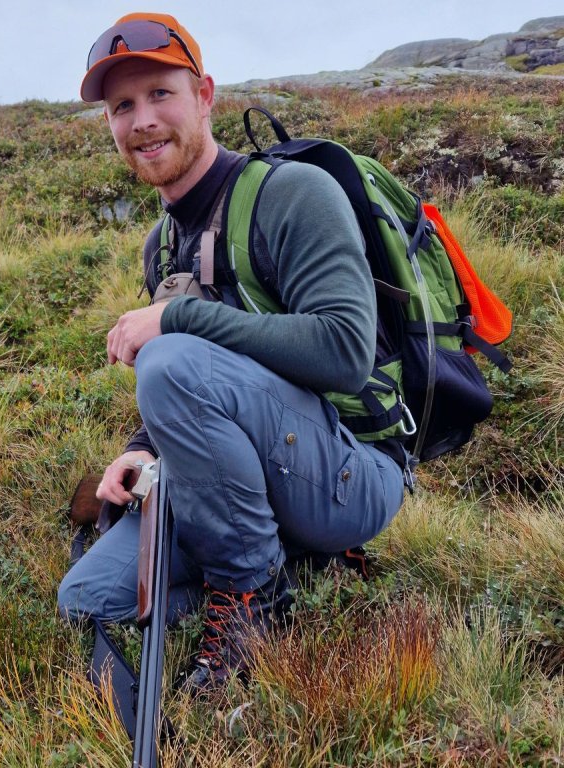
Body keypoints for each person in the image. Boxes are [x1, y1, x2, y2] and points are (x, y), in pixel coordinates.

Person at [57, 12, 409, 691]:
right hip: (260, 468)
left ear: (205, 96)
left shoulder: (294, 195)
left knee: (168, 360)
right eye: (122, 106)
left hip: (352, 472)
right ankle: (294, 561)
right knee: (87, 599)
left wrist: (176, 316)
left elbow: (345, 352)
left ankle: (252, 596)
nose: (142, 121)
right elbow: (210, 381)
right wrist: (141, 449)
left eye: (160, 94)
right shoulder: (161, 245)